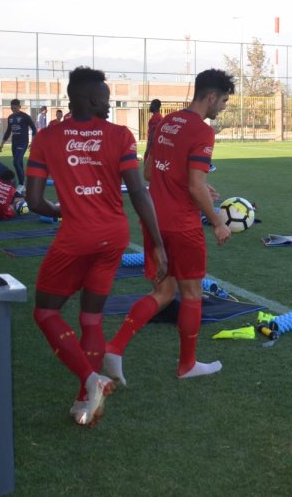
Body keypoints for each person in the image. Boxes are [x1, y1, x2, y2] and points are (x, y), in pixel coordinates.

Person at [25, 66, 168, 427]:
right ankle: (82, 400)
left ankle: (91, 382)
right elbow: (138, 192)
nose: (108, 103)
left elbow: (34, 201)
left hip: (76, 236)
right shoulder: (120, 136)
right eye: (105, 97)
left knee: (45, 313)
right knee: (91, 317)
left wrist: (61, 210)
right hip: (114, 236)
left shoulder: (45, 139)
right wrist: (156, 244)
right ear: (88, 98)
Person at [104, 69, 234, 382]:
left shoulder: (166, 122)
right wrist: (217, 222)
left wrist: (202, 188)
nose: (224, 107)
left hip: (154, 219)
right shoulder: (203, 132)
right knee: (191, 294)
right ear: (211, 96)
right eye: (224, 101)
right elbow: (193, 185)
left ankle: (115, 347)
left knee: (164, 291)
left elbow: (149, 172)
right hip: (182, 224)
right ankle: (187, 365)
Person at [0, 98, 37, 186]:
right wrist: (1, 145)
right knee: (19, 163)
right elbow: (8, 131)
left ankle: (22, 184)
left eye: (15, 108)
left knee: (16, 162)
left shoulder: (25, 116)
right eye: (12, 108)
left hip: (23, 143)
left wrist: (32, 142)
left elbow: (34, 129)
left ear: (19, 107)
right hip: (14, 143)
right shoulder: (10, 117)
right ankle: (23, 183)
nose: (13, 110)